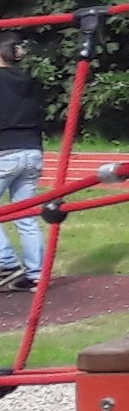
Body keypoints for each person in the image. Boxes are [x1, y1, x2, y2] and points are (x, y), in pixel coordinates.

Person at [0, 36, 40, 294]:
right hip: (32, 149)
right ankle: (36, 274)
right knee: (27, 217)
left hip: (5, 151)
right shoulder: (28, 81)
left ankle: (7, 262)